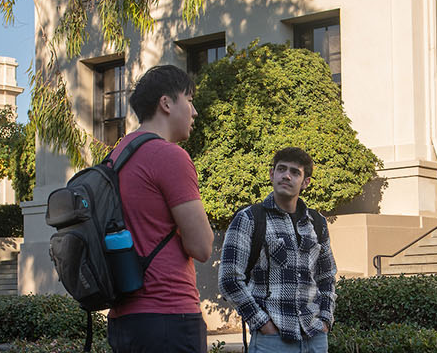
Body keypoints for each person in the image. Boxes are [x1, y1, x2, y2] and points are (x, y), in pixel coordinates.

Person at [105, 65, 216, 353]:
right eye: (189, 100)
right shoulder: (169, 156)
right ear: (166, 103)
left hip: (123, 320)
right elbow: (202, 247)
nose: (194, 112)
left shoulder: (114, 158)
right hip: (168, 315)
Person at [219, 147, 337, 353]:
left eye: (295, 172)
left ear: (305, 182)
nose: (287, 176)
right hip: (273, 340)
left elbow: (326, 278)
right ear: (272, 174)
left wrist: (326, 319)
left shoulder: (317, 223)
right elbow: (229, 279)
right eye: (281, 169)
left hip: (315, 336)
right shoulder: (249, 218)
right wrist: (263, 325)